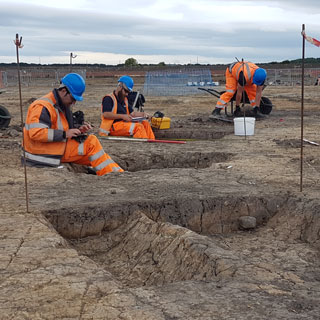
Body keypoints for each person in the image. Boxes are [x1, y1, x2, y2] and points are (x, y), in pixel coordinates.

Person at [23, 73, 123, 175]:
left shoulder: (61, 104)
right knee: (91, 143)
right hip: (41, 154)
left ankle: (118, 173)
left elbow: (61, 126)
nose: (74, 102)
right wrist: (64, 134)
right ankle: (113, 175)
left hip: (51, 148)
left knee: (97, 156)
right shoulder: (42, 106)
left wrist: (78, 129)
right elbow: (35, 133)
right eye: (73, 98)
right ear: (63, 91)